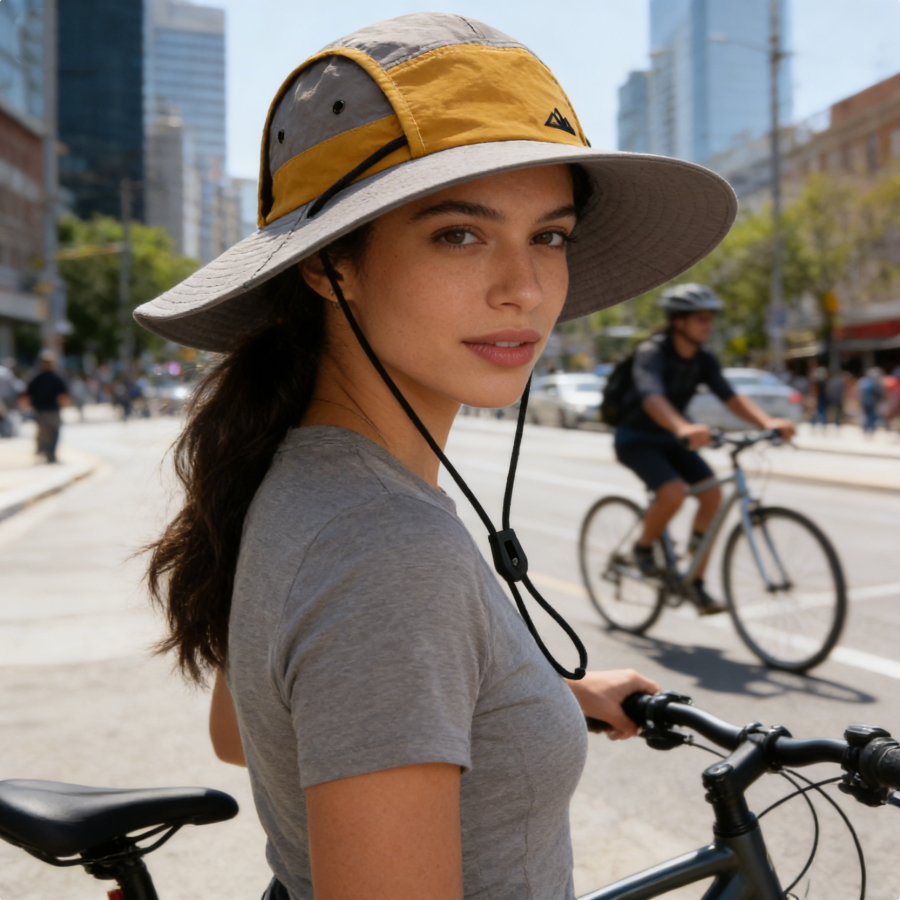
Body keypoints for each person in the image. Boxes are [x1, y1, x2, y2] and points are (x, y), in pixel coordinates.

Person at [137, 15, 737, 900]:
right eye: (459, 233)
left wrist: (530, 690)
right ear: (328, 265)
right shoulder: (386, 550)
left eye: (551, 235)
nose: (525, 289)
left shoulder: (299, 470)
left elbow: (250, 729)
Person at [614, 284, 796, 615]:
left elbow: (730, 396)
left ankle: (694, 582)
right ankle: (642, 550)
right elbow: (651, 395)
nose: (708, 325)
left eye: (710, 319)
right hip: (636, 438)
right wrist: (682, 426)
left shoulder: (703, 359)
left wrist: (766, 422)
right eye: (701, 319)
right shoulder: (653, 352)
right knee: (673, 492)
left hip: (673, 439)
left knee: (711, 496)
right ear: (679, 321)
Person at [25, 349, 69, 463]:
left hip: (52, 409)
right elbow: (27, 394)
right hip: (40, 410)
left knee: (53, 432)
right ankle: (44, 452)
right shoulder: (36, 377)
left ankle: (50, 454)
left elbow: (63, 394)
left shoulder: (55, 377)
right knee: (44, 433)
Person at [858, 367, 884, 434]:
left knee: (866, 416)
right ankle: (870, 429)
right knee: (872, 416)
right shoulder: (873, 383)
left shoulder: (863, 381)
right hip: (872, 402)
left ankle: (866, 429)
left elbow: (858, 392)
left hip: (864, 401)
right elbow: (878, 392)